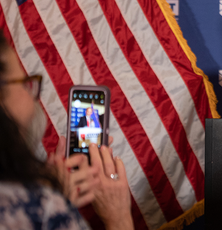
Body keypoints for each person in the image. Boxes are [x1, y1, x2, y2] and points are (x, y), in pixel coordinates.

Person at [0, 34, 133, 230]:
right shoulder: (38, 206)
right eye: (26, 83)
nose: (33, 94)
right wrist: (118, 217)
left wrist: (57, 195)